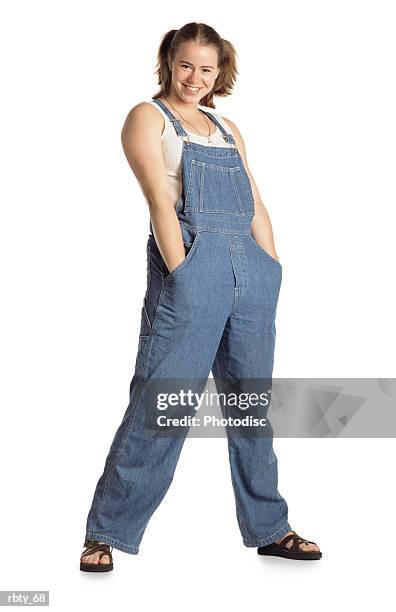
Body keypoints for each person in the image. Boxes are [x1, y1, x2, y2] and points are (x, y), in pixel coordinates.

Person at [80, 22, 322, 572]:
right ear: (169, 61)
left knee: (250, 407)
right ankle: (106, 533)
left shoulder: (225, 125)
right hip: (193, 262)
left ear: (221, 73)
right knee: (163, 403)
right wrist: (183, 272)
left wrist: (271, 265)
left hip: (250, 270)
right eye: (186, 64)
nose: (195, 77)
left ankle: (270, 527)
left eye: (206, 69)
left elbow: (255, 199)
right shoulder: (148, 117)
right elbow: (159, 203)